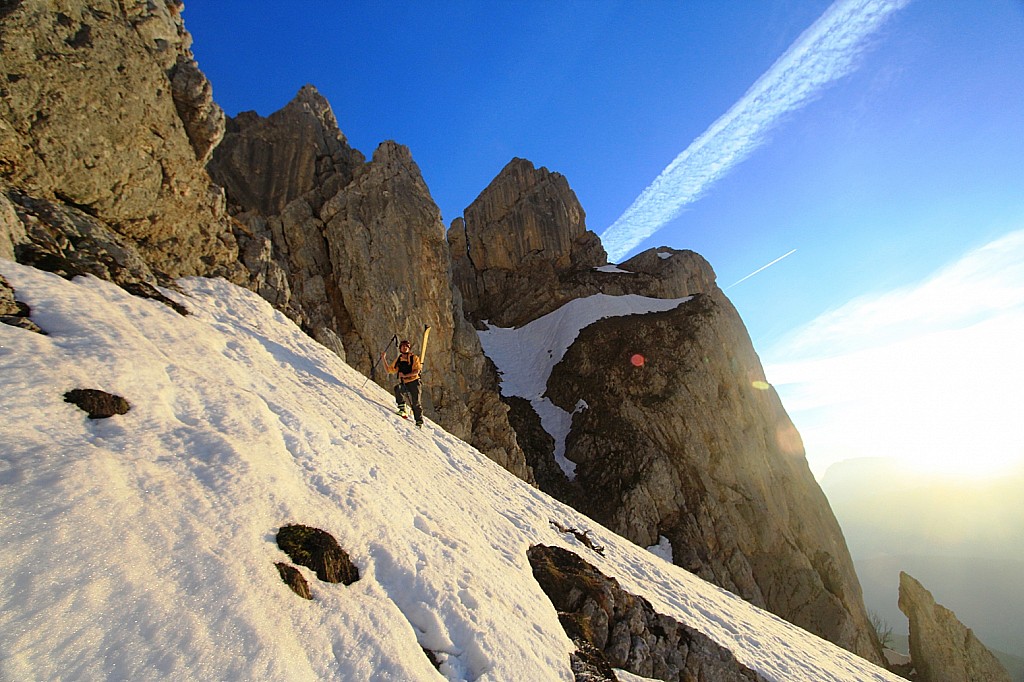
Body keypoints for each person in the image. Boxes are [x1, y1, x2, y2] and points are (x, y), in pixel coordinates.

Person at [381, 339, 424, 426]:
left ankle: (419, 421)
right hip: (405, 383)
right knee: (398, 389)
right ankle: (402, 409)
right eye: (403, 346)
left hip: (415, 382)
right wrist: (383, 359)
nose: (404, 348)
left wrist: (405, 375)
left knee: (416, 402)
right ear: (400, 348)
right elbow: (389, 370)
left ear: (409, 348)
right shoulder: (399, 360)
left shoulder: (414, 358)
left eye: (406, 346)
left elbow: (417, 371)